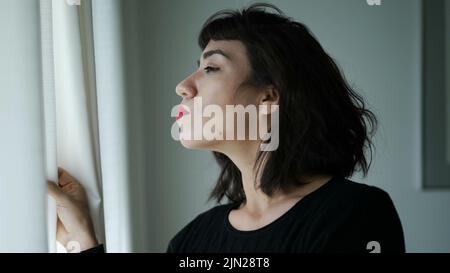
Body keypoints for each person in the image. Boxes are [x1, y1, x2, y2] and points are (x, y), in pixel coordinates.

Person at [47, 3, 405, 253]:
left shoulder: (355, 216)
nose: (183, 87)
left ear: (268, 98)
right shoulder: (194, 239)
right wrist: (82, 237)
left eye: (211, 68)